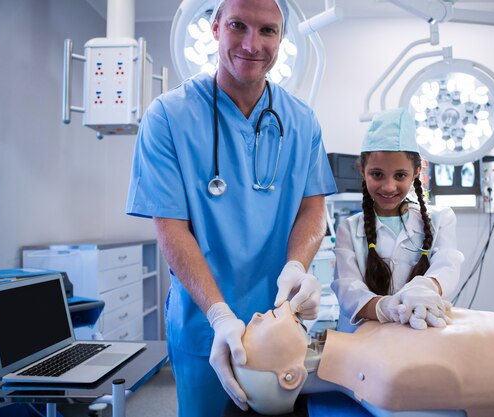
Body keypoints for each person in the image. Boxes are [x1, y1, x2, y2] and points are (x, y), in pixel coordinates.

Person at [125, 0, 337, 414]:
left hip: (277, 324)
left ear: (282, 37)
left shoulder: (302, 121)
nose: (252, 44)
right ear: (215, 28)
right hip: (202, 322)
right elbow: (170, 227)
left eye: (268, 31)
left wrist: (297, 267)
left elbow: (312, 209)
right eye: (238, 25)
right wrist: (220, 316)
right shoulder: (168, 116)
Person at [232, 303, 494, 417]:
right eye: (255, 334)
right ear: (289, 378)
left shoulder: (366, 336)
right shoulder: (386, 383)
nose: (255, 317)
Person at [332, 107, 464, 333]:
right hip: (362, 344)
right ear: (363, 171)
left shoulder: (441, 219)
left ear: (416, 172)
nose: (389, 186)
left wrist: (425, 287)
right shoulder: (348, 229)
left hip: (418, 340)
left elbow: (447, 265)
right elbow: (348, 290)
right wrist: (387, 308)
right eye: (377, 174)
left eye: (400, 175)